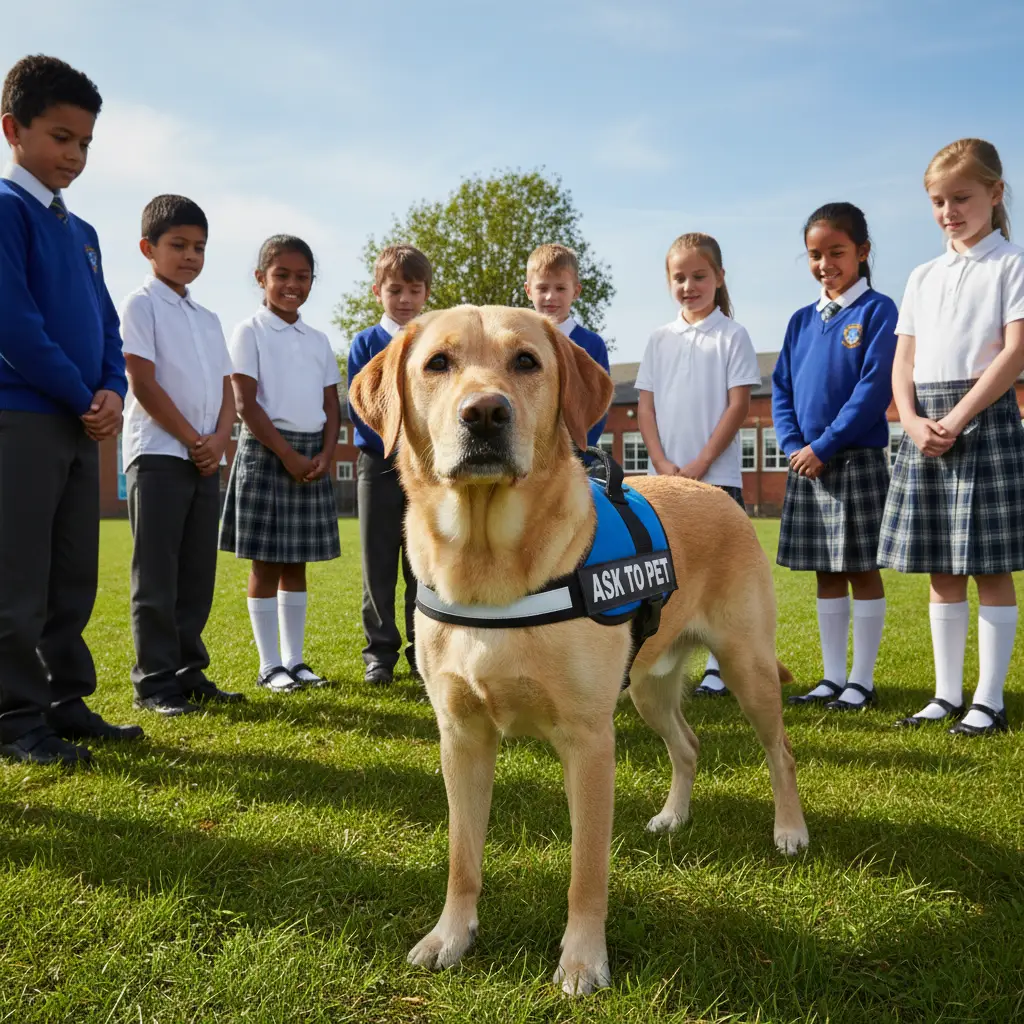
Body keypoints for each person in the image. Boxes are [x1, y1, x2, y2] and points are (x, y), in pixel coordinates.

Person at [0, 55, 143, 766]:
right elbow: (15, 324)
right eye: (61, 138)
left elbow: (107, 324)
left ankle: (65, 701)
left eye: (85, 142)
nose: (75, 156)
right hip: (24, 418)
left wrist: (113, 387)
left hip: (82, 421)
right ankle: (15, 719)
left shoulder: (83, 232)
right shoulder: (6, 209)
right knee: (18, 579)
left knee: (72, 573)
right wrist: (80, 393)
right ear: (13, 129)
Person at [879, 139, 1024, 736]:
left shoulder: (1011, 264)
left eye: (961, 198)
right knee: (942, 568)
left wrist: (959, 417)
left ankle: (988, 700)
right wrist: (911, 421)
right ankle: (945, 694)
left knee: (989, 567)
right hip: (925, 425)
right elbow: (902, 360)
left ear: (995, 192)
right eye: (938, 202)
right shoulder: (922, 275)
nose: (949, 212)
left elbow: (1015, 352)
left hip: (982, 419)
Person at [121, 194, 244, 717]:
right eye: (178, 245)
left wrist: (219, 439)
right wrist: (193, 438)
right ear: (148, 248)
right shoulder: (140, 305)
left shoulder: (208, 318)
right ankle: (154, 682)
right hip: (158, 455)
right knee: (157, 575)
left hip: (205, 458)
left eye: (199, 247)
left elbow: (228, 388)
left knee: (196, 572)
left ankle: (189, 672)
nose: (190, 256)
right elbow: (142, 381)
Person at [773, 203, 898, 712]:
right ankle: (832, 678)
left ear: (862, 251)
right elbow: (781, 388)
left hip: (855, 462)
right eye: (815, 254)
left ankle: (861, 682)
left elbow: (873, 390)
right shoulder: (801, 321)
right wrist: (793, 447)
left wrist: (823, 446)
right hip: (807, 464)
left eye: (836, 252)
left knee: (861, 570)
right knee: (826, 572)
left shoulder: (878, 311)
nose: (825, 264)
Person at [635, 232, 761, 698]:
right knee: (666, 569)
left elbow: (738, 405)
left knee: (718, 574)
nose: (689, 286)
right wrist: (661, 461)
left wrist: (703, 461)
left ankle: (718, 664)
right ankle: (662, 652)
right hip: (664, 482)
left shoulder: (733, 335)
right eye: (679, 278)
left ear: (719, 277)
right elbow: (645, 407)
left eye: (699, 276)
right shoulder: (659, 339)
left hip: (716, 478)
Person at [220, 235, 341, 693]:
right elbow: (245, 404)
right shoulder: (248, 331)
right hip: (269, 451)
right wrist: (288, 455)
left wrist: (327, 454)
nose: (293, 284)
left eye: (302, 276)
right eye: (282, 275)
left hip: (311, 453)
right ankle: (269, 665)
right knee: (266, 563)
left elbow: (332, 406)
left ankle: (295, 661)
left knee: (297, 564)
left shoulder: (318, 340)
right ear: (261, 278)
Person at [348, 245, 431, 685]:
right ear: (377, 291)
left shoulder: (433, 341)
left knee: (423, 562)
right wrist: (394, 442)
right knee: (377, 563)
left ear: (426, 293)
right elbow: (361, 405)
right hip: (377, 464)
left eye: (414, 290)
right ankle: (379, 654)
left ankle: (423, 649)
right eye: (395, 290)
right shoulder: (366, 343)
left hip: (425, 467)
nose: (404, 299)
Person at [525, 243, 610, 453]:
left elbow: (597, 405)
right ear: (528, 290)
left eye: (560, 288)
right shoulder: (520, 342)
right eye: (542, 288)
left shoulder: (592, 344)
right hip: (529, 454)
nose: (550, 297)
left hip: (575, 457)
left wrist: (580, 452)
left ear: (576, 291)